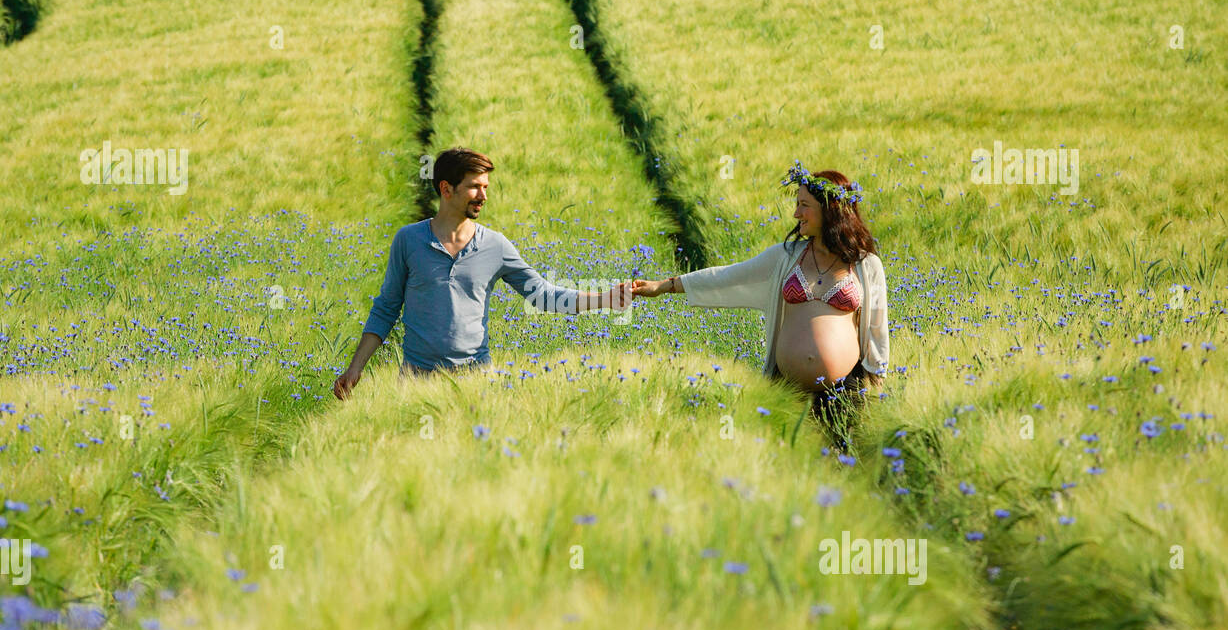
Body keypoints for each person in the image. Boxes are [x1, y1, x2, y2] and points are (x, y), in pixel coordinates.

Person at [334, 147, 634, 398]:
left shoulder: (494, 245)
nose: (483, 196)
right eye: (475, 187)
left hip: (476, 380)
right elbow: (386, 308)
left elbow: (543, 296)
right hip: (416, 382)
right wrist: (356, 367)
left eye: (486, 187)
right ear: (446, 189)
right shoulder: (409, 240)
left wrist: (606, 298)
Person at [631, 162, 889, 449]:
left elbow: (877, 328)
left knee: (840, 468)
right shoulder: (787, 256)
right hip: (786, 391)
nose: (796, 213)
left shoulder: (866, 265)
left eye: (804, 205)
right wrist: (663, 286)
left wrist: (878, 390)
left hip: (844, 393)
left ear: (830, 210)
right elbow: (728, 276)